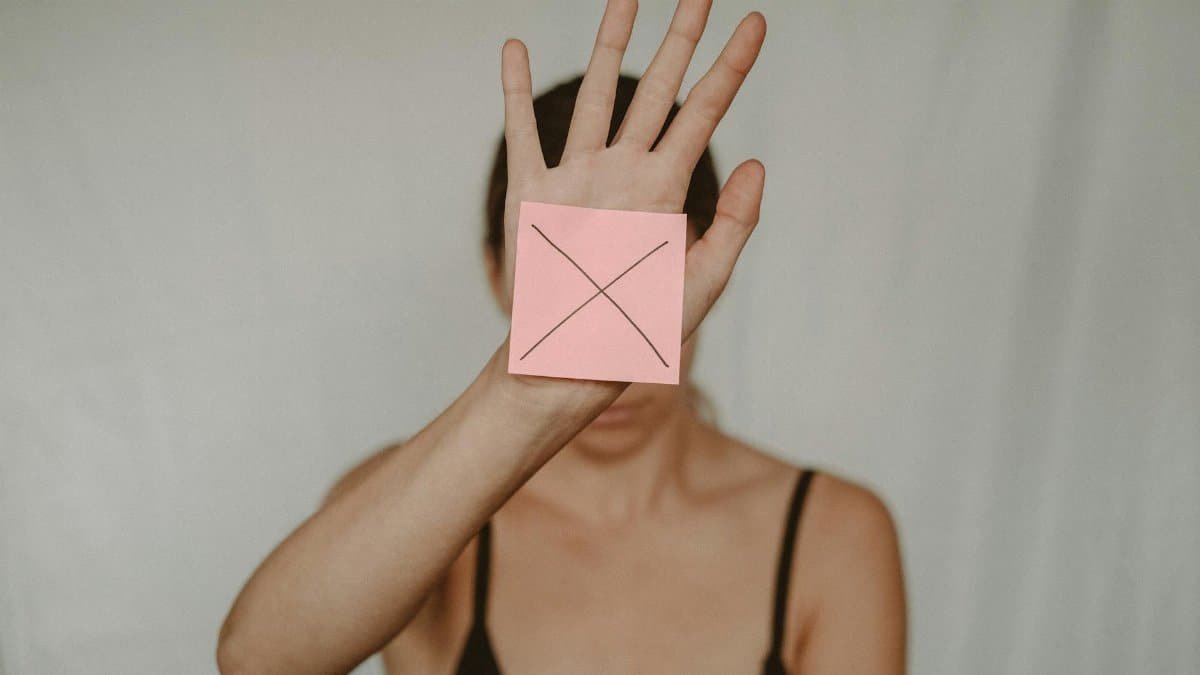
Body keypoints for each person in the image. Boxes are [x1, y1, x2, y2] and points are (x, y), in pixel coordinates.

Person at [217, 1, 906, 673]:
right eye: (564, 276)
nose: (614, 371)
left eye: (643, 278)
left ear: (709, 275)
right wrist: (525, 391)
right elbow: (258, 659)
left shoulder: (832, 533)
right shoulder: (413, 507)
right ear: (497, 274)